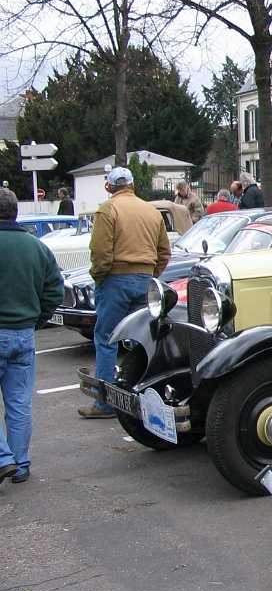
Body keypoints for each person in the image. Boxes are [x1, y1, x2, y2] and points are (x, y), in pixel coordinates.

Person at [79, 167, 170, 419]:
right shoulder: (151, 211)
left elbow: (100, 252)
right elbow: (164, 252)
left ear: (109, 187)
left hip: (115, 280)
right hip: (145, 279)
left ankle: (105, 402)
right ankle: (143, 393)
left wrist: (100, 277)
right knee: (141, 338)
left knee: (107, 338)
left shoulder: (108, 210)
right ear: (132, 185)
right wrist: (151, 274)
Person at [0, 188, 63, 485]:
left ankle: (3, 459)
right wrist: (39, 319)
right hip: (24, 333)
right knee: (19, 402)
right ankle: (20, 463)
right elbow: (55, 289)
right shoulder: (36, 246)